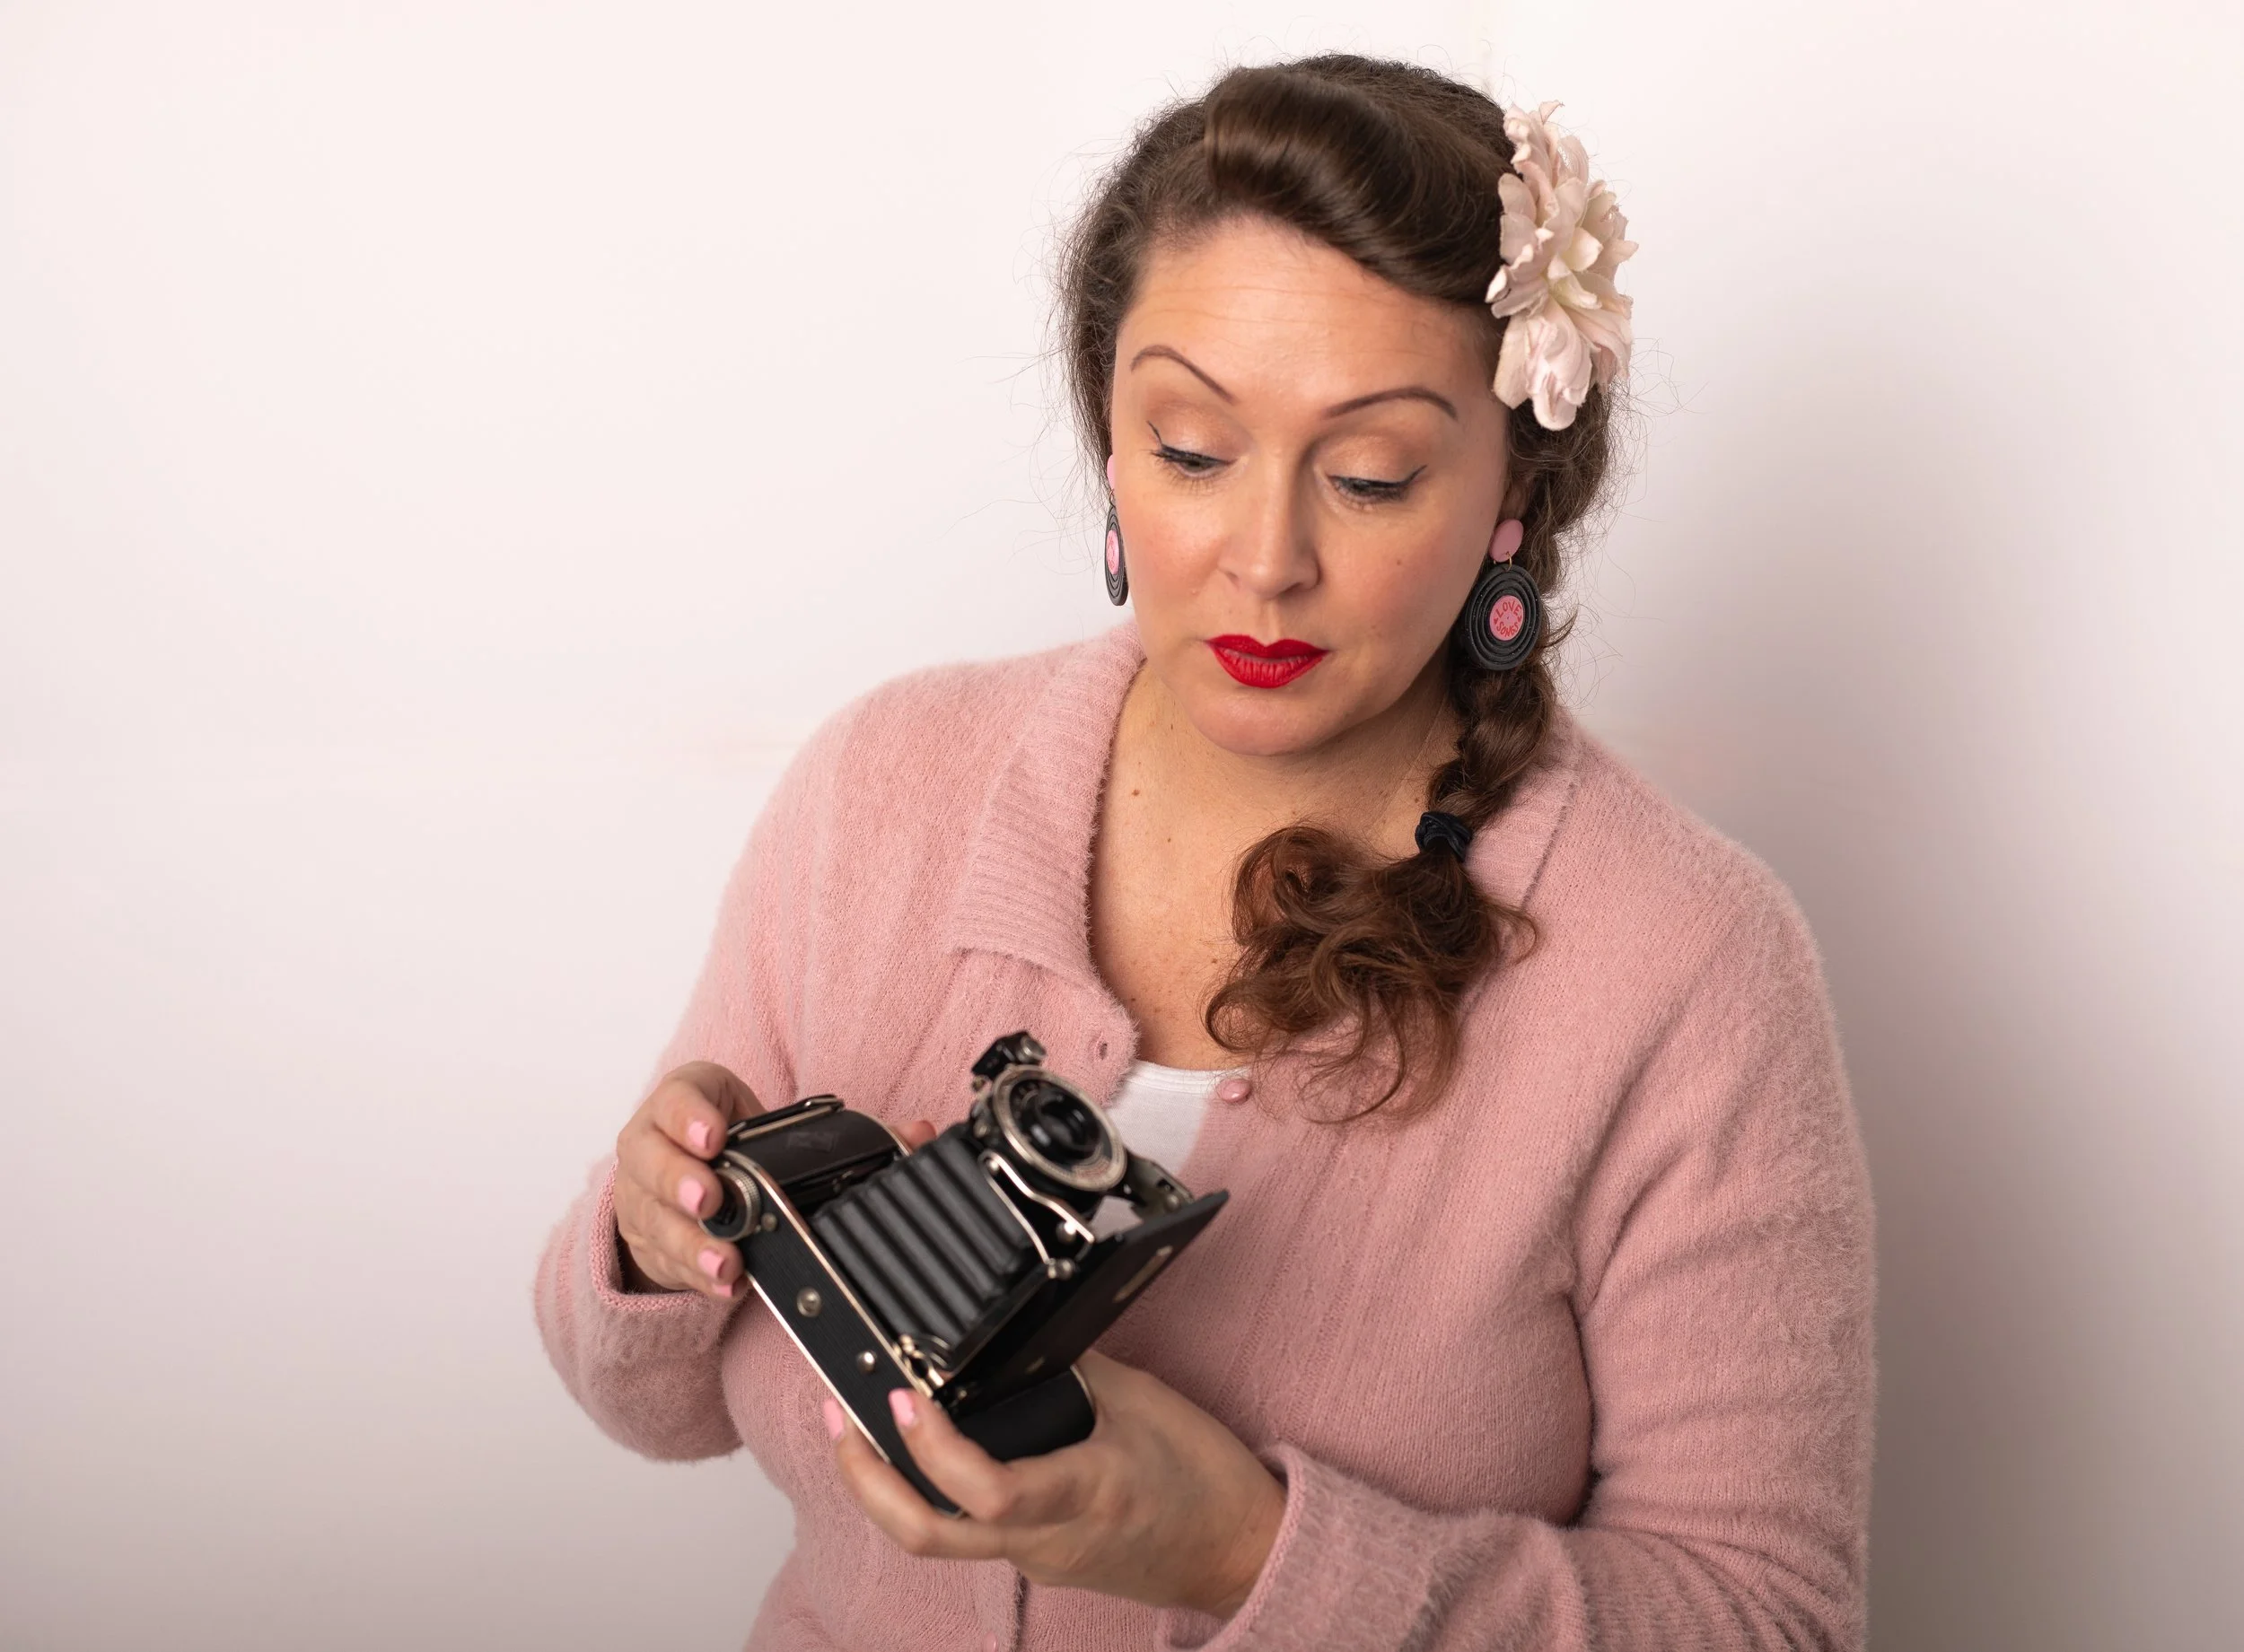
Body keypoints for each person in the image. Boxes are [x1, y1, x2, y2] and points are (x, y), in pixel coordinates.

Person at [535, 54, 1874, 1652]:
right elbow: (651, 1408)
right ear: (1107, 435)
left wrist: (1250, 1554)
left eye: (1371, 475)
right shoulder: (883, 790)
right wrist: (653, 1228)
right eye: (1188, 449)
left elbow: (1770, 1621)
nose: (1265, 558)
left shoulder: (1685, 963)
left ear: (1515, 490)